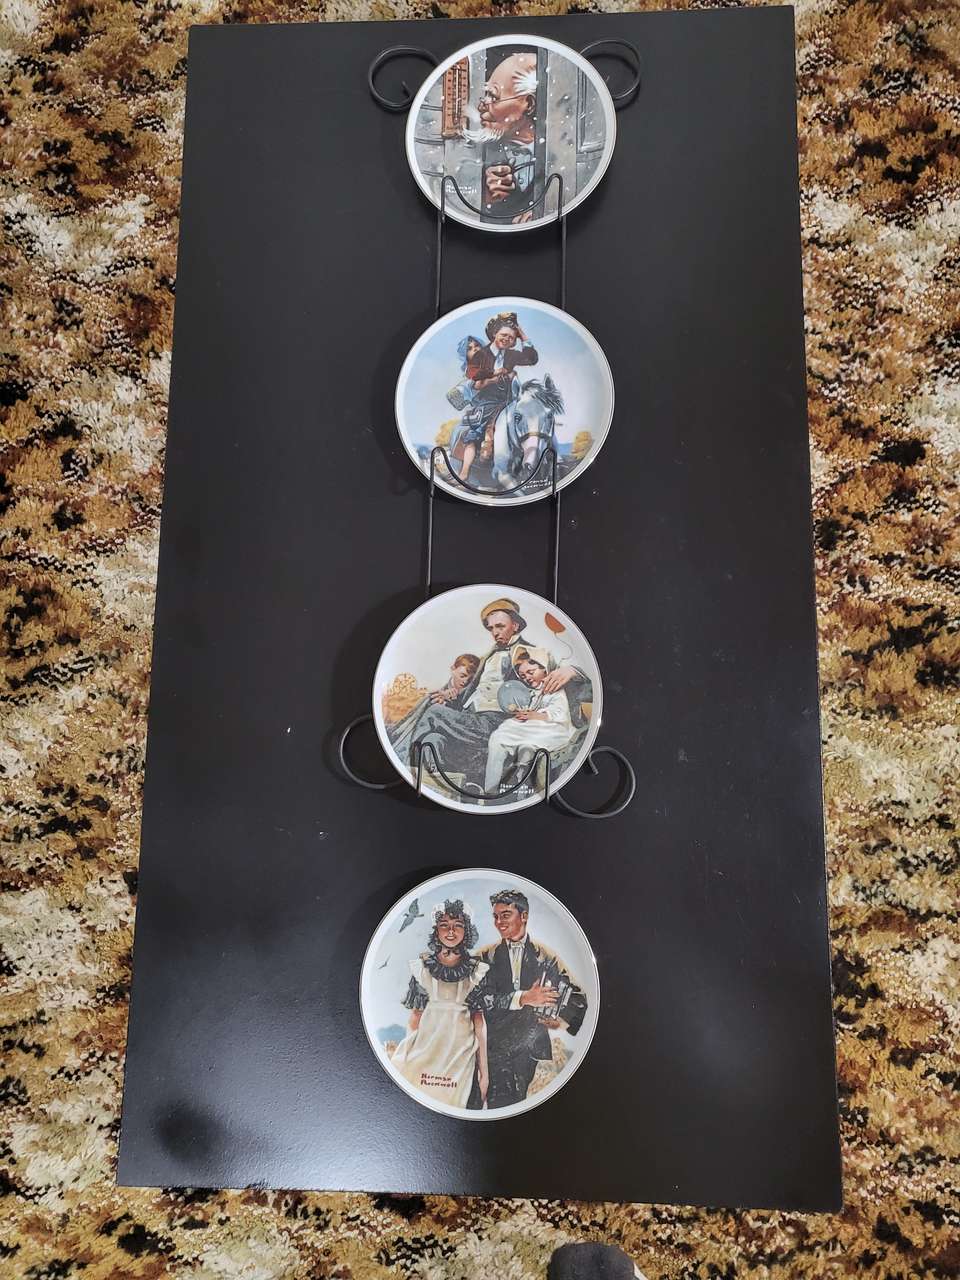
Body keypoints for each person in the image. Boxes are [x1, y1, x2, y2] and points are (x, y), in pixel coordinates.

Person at [408, 598, 590, 794]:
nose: (495, 632)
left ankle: (404, 764)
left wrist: (573, 671)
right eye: (491, 628)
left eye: (500, 626)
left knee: (434, 713)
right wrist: (451, 694)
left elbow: (560, 680)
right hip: (470, 720)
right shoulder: (486, 657)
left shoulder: (532, 655)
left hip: (497, 722)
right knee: (433, 739)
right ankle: (417, 781)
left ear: (515, 625)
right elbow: (469, 687)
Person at [473, 889, 588, 1109]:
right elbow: (480, 1000)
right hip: (493, 1049)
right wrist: (523, 998)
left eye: (505, 915)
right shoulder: (484, 957)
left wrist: (559, 1021)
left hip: (529, 1051)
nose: (498, 922)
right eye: (495, 916)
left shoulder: (546, 957)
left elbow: (579, 1000)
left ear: (524, 915)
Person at [391, 900, 490, 1109]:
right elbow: (415, 1017)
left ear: (467, 930)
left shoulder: (477, 971)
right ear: (436, 931)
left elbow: (479, 1023)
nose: (451, 931)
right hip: (427, 1049)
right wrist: (407, 1051)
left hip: (460, 1054)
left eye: (458, 925)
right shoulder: (422, 968)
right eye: (444, 925)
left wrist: (484, 1073)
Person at [455, 313, 538, 484]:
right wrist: (494, 373)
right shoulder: (481, 354)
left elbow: (531, 359)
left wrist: (522, 334)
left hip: (509, 400)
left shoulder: (512, 355)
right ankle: (465, 472)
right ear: (495, 334)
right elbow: (471, 373)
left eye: (511, 337)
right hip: (487, 401)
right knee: (476, 432)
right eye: (503, 335)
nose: (507, 339)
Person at [483, 646, 578, 794]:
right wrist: (524, 715)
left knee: (503, 732)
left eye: (530, 672)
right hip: (537, 731)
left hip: (556, 730)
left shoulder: (553, 687)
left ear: (544, 669)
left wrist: (534, 716)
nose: (526, 677)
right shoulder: (534, 693)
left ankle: (494, 787)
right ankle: (494, 788)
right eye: (522, 676)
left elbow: (560, 713)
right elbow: (531, 712)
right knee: (513, 737)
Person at [468, 50, 540, 222]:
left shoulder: (556, 155)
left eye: (493, 97)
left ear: (528, 105)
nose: (481, 106)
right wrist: (485, 200)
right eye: (485, 95)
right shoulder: (476, 154)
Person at [386, 654, 480, 764]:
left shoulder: (474, 694)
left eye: (470, 679)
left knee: (433, 739)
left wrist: (451, 705)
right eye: (462, 676)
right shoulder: (438, 692)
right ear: (453, 669)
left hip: (454, 739)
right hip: (424, 731)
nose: (465, 682)